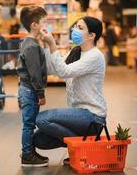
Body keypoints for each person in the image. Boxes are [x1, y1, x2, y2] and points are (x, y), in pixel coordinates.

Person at [36, 16, 107, 165]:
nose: (75, 30)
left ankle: (81, 148)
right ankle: (82, 144)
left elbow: (64, 72)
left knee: (42, 119)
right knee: (37, 140)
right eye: (75, 26)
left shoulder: (95, 56)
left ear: (92, 35)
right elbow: (53, 68)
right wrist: (46, 45)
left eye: (80, 28)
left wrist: (53, 45)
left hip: (92, 117)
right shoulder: (75, 52)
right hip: (77, 115)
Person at [17, 6, 49, 167]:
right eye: (44, 22)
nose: (46, 25)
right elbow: (35, 73)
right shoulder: (32, 46)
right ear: (34, 25)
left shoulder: (30, 42)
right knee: (29, 124)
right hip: (30, 90)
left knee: (30, 122)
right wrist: (40, 93)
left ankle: (30, 150)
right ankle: (27, 155)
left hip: (27, 89)